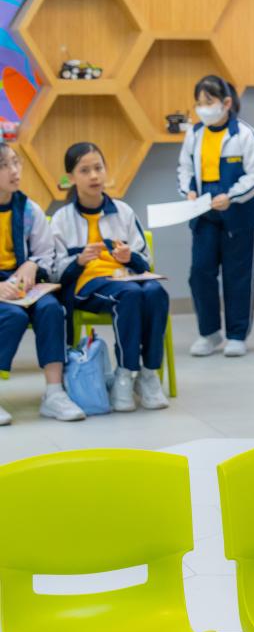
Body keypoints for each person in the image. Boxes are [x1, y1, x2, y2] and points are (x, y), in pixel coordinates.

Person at [51, 142, 171, 413]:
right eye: (85, 171)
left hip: (125, 279)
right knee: (129, 295)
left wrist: (130, 257)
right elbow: (54, 270)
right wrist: (78, 261)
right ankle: (124, 375)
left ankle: (148, 374)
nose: (94, 176)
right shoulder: (62, 218)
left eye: (98, 168)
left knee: (155, 292)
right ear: (71, 178)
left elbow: (145, 259)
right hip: (86, 285)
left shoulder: (123, 211)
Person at [177, 75, 254, 358]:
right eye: (199, 103)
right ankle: (209, 332)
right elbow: (185, 168)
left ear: (226, 103)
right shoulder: (195, 134)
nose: (203, 108)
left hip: (239, 216)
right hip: (205, 214)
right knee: (200, 273)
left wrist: (232, 196)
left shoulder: (245, 135)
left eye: (209, 101)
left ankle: (237, 335)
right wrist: (189, 191)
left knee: (238, 276)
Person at [0, 141, 80, 425]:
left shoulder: (28, 209)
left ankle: (54, 394)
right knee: (13, 315)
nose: (14, 171)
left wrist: (33, 264)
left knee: (51, 309)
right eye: (4, 165)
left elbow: (46, 253)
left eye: (16, 162)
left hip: (23, 282)